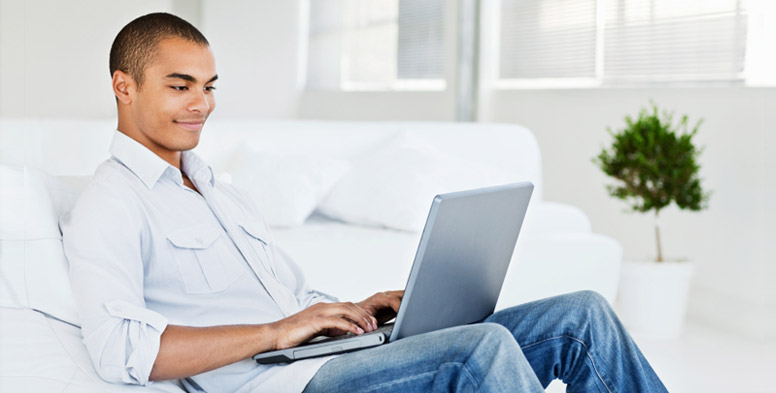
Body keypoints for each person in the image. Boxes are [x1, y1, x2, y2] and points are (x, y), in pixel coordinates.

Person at [62, 12, 669, 393]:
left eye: (209, 86)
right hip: (283, 383)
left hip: (323, 356)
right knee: (480, 351)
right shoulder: (110, 204)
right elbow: (121, 350)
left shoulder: (223, 192)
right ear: (124, 86)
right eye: (180, 85)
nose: (202, 103)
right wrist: (278, 332)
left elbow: (294, 301)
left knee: (581, 316)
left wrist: (356, 310)